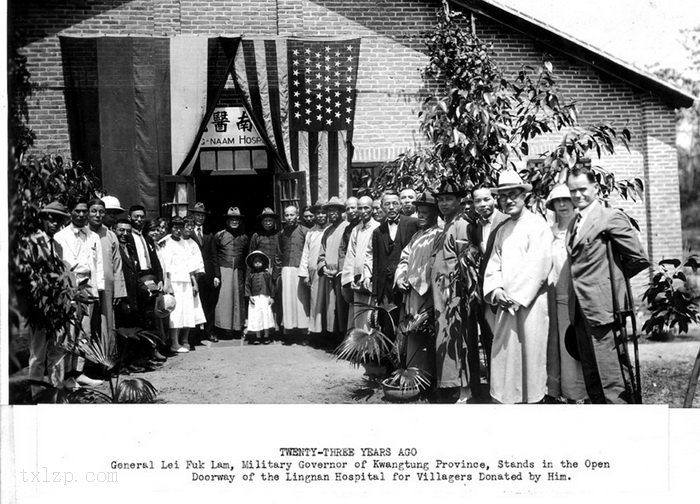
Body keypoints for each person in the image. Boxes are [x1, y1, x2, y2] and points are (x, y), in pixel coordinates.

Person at [566, 166, 650, 404]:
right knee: (592, 376)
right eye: (573, 191)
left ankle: (623, 427)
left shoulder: (609, 217)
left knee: (611, 378)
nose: (578, 195)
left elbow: (637, 258)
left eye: (583, 189)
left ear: (595, 187)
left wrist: (606, 283)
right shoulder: (574, 222)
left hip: (604, 308)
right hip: (580, 310)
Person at [483, 171, 553, 404]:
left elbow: (540, 266)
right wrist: (496, 291)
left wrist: (516, 297)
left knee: (531, 354)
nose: (509, 200)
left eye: (514, 195)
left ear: (525, 197)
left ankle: (533, 400)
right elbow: (494, 265)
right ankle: (506, 400)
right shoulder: (503, 230)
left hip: (530, 304)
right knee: (505, 354)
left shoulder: (537, 225)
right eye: (503, 196)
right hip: (505, 304)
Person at [53, 199, 105, 389]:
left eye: (84, 211)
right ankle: (65, 376)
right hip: (68, 289)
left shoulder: (93, 237)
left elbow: (97, 265)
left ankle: (79, 373)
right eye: (78, 211)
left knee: (85, 333)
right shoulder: (60, 236)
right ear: (70, 212)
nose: (82, 215)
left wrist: (97, 291)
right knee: (68, 334)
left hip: (87, 287)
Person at [545, 184, 588, 403]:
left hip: (578, 299)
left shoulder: (582, 229)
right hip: (553, 300)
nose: (562, 205)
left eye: (566, 200)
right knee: (556, 347)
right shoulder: (547, 233)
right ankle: (555, 392)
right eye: (557, 201)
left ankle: (579, 394)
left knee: (575, 348)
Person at [430, 180, 472, 403]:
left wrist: (456, 293)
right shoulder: (446, 225)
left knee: (459, 338)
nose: (444, 203)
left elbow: (466, 264)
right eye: (441, 199)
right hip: (440, 294)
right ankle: (450, 385)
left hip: (453, 294)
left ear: (458, 201)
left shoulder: (461, 224)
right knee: (444, 337)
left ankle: (465, 390)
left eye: (449, 199)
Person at [394, 192, 441, 379]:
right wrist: (400, 276)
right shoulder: (416, 236)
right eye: (419, 211)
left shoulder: (439, 234)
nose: (420, 215)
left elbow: (434, 264)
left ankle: (427, 377)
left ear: (434, 214)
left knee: (425, 330)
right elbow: (404, 258)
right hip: (411, 293)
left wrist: (416, 280)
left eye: (425, 212)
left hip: (428, 293)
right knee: (410, 331)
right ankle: (412, 375)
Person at [27, 201, 69, 399]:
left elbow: (59, 274)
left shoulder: (57, 245)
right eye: (50, 219)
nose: (54, 223)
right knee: (38, 350)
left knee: (57, 347)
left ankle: (56, 387)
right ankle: (36, 390)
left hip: (56, 304)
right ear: (43, 219)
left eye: (58, 220)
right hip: (38, 302)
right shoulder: (33, 242)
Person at [469, 186, 509, 386]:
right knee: (489, 337)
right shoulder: (476, 226)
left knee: (506, 338)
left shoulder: (507, 221)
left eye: (486, 199)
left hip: (505, 289)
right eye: (478, 201)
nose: (483, 204)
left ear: (495, 199)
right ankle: (495, 384)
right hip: (484, 291)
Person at [365, 190, 419, 323]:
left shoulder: (413, 223)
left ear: (400, 205)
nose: (391, 207)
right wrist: (376, 294)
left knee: (408, 321)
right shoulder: (378, 231)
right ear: (382, 206)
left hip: (407, 283)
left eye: (395, 203)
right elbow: (376, 263)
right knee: (388, 324)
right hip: (386, 286)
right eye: (387, 204)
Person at [160, 217, 206, 353]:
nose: (178, 230)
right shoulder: (166, 243)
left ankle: (184, 340)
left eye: (180, 227)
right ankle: (174, 342)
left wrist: (194, 283)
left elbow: (190, 265)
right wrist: (168, 284)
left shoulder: (186, 242)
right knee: (176, 313)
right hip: (174, 281)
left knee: (188, 311)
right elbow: (166, 266)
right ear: (171, 228)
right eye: (175, 227)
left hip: (186, 280)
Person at [87, 198, 127, 347]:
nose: (98, 215)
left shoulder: (110, 235)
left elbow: (117, 265)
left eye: (101, 212)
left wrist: (118, 290)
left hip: (108, 289)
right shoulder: (83, 233)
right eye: (94, 211)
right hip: (87, 286)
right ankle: (86, 363)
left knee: (107, 322)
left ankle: (107, 360)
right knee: (87, 323)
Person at [341, 196, 378, 330]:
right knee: (359, 315)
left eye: (366, 208)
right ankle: (360, 349)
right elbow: (351, 254)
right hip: (357, 279)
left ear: (372, 209)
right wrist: (349, 277)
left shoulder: (377, 228)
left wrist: (369, 276)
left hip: (371, 278)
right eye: (360, 208)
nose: (363, 211)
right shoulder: (356, 230)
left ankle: (371, 349)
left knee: (371, 316)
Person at [317, 197, 350, 340]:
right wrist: (323, 266)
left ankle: (343, 337)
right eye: (330, 211)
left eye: (335, 211)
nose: (332, 214)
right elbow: (321, 252)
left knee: (341, 307)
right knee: (330, 307)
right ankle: (332, 337)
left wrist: (340, 270)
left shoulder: (347, 227)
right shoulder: (327, 231)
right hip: (328, 274)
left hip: (340, 274)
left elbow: (347, 252)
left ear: (341, 212)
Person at [214, 207, 249, 337]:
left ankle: (237, 327)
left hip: (238, 270)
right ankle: (224, 328)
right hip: (224, 269)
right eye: (231, 219)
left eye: (237, 220)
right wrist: (217, 273)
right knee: (225, 298)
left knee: (237, 298)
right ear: (227, 221)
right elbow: (215, 255)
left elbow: (246, 254)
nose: (234, 222)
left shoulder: (244, 237)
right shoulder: (220, 235)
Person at [189, 202, 220, 343]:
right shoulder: (188, 232)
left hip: (208, 274)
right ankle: (195, 335)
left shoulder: (209, 233)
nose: (200, 218)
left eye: (202, 216)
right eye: (197, 215)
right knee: (195, 303)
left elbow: (214, 255)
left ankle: (209, 331)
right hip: (194, 274)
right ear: (193, 216)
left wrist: (217, 275)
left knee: (209, 303)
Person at [298, 201, 329, 336]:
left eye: (323, 213)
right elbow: (306, 253)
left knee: (327, 303)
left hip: (328, 272)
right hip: (314, 272)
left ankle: (329, 332)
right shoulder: (311, 232)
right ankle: (316, 332)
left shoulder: (331, 229)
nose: (321, 216)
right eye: (318, 213)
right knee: (315, 302)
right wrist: (304, 274)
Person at [279, 205, 310, 337]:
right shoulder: (282, 233)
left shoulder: (305, 231)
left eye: (292, 215)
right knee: (288, 299)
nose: (289, 218)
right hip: (286, 269)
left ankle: (303, 329)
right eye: (287, 215)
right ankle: (289, 329)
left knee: (301, 299)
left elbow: (309, 252)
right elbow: (279, 253)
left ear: (297, 216)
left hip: (300, 268)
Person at [245, 250, 277, 343]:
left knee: (265, 316)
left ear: (263, 263)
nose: (258, 263)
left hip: (265, 298)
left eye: (259, 261)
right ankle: (257, 336)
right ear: (252, 263)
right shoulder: (250, 275)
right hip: (255, 299)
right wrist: (249, 296)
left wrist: (272, 297)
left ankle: (266, 335)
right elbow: (247, 286)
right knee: (256, 316)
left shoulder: (266, 274)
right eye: (255, 262)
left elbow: (271, 285)